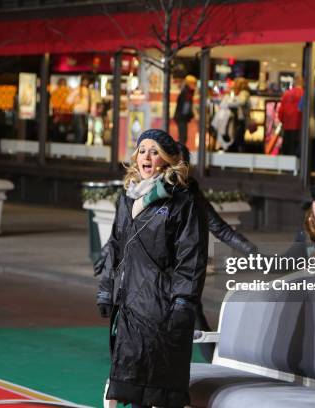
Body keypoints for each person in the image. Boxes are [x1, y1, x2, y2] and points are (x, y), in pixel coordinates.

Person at [94, 142, 257, 364]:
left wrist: (250, 250)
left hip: (177, 280)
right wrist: (107, 254)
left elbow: (220, 229)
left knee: (193, 323)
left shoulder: (188, 197)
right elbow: (124, 231)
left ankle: (213, 364)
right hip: (145, 285)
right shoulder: (139, 192)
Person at [96, 129, 208, 408]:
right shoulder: (127, 198)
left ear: (167, 160)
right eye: (142, 149)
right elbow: (115, 246)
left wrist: (184, 302)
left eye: (154, 151)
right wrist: (106, 289)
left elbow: (191, 257)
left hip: (164, 309)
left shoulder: (183, 201)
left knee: (159, 391)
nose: (146, 156)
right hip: (131, 306)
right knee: (132, 387)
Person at [278, 76, 304, 157]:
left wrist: (282, 121)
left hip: (287, 125)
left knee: (287, 149)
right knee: (297, 150)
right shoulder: (304, 94)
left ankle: (287, 166)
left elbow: (281, 111)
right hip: (300, 125)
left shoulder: (286, 94)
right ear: (302, 83)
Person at [226, 77, 251, 153]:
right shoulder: (243, 93)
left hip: (241, 120)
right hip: (241, 119)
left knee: (238, 139)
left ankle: (238, 156)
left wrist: (230, 103)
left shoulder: (244, 93)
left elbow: (241, 102)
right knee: (238, 138)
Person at [174, 75, 197, 145]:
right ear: (189, 83)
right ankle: (180, 153)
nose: (195, 85)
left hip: (181, 117)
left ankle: (181, 152)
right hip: (181, 117)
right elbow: (186, 107)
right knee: (183, 138)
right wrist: (191, 115)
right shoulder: (187, 93)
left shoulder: (186, 92)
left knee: (183, 137)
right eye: (194, 83)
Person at [67, 76, 91, 144]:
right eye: (84, 81)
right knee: (80, 131)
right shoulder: (78, 89)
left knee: (84, 132)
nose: (86, 82)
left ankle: (79, 146)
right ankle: (77, 147)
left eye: (87, 81)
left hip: (84, 114)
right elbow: (68, 100)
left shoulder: (87, 90)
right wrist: (76, 101)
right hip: (77, 114)